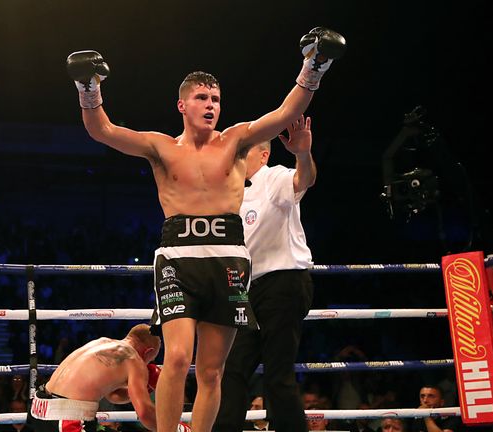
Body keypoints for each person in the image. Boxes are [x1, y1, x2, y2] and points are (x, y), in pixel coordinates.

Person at [67, 27, 345, 432]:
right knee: (177, 358)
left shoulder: (237, 141)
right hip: (178, 257)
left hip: (229, 258)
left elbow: (286, 113)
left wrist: (314, 66)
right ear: (182, 105)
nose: (210, 104)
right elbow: (102, 131)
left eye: (215, 98)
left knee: (212, 371)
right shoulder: (160, 146)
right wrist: (87, 88)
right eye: (201, 97)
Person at [212, 114, 317, 432]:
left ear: (263, 154)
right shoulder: (234, 195)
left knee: (277, 374)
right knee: (231, 370)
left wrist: (302, 153)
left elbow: (305, 180)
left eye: (242, 151)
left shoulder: (275, 178)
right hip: (245, 292)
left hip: (283, 282)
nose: (236, 156)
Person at [27, 324, 162, 432]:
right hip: (66, 417)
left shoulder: (102, 342)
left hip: (39, 408)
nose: (148, 364)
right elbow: (145, 414)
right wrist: (175, 427)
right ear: (148, 352)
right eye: (152, 359)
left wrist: (146, 388)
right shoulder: (134, 360)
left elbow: (113, 396)